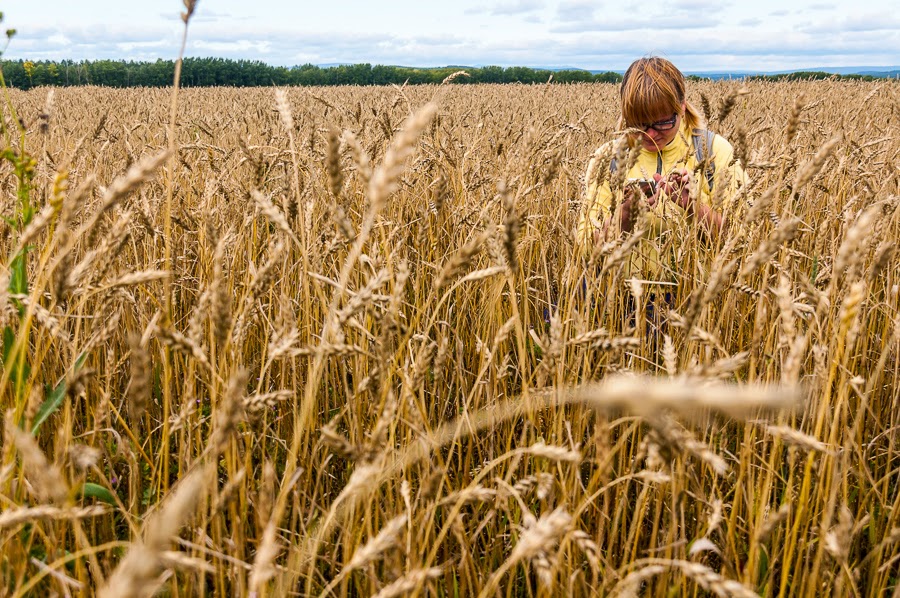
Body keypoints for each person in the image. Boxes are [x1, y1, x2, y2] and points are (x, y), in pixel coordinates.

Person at [577, 56, 747, 283]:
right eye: (638, 124)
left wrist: (693, 207)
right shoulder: (608, 159)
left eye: (662, 123)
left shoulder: (714, 151)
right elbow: (585, 249)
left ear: (682, 106)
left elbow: (744, 239)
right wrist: (624, 217)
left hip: (700, 302)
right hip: (621, 302)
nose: (649, 134)